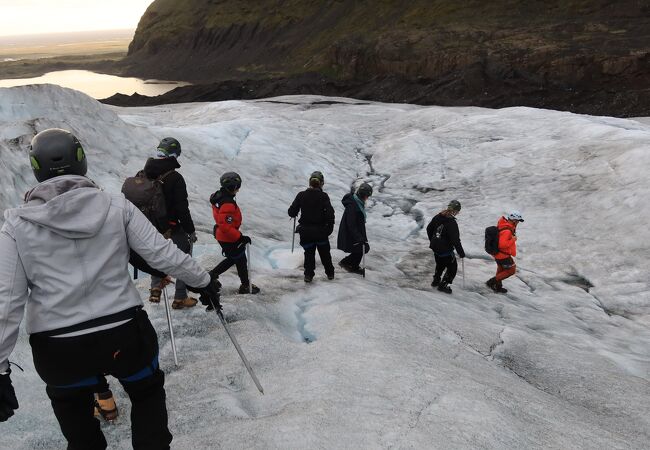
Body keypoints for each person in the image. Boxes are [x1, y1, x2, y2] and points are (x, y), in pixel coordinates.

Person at [0, 128, 221, 449]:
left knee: (76, 419)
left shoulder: (16, 225)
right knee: (146, 394)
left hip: (58, 349)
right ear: (81, 161)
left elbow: (6, 302)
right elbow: (163, 254)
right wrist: (204, 282)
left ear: (36, 168)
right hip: (124, 334)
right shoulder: (115, 206)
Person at [142, 137, 200, 309]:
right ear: (174, 155)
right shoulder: (175, 177)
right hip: (173, 226)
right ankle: (180, 297)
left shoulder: (146, 172)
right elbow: (182, 207)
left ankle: (155, 288)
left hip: (151, 224)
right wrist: (190, 230)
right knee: (183, 258)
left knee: (156, 255)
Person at [209, 172, 260, 296]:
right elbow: (225, 225)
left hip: (224, 234)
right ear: (233, 187)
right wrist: (240, 237)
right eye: (238, 186)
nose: (238, 189)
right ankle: (211, 276)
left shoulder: (219, 196)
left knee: (239, 258)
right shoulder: (227, 203)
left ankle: (245, 284)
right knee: (235, 258)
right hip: (227, 236)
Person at [288, 171, 336, 282]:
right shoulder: (324, 196)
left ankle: (308, 275)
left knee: (309, 254)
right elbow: (330, 214)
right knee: (325, 254)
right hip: (321, 232)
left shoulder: (301, 195)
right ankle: (330, 274)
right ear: (321, 183)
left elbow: (291, 212)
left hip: (305, 232)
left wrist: (296, 212)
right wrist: (328, 229)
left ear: (310, 182)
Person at [426, 200, 466, 294]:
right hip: (445, 250)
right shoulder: (451, 223)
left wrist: (433, 240)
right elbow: (455, 240)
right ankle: (443, 285)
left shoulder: (438, 216)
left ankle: (436, 281)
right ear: (455, 211)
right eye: (458, 211)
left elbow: (429, 228)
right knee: (452, 268)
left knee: (440, 264)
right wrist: (461, 252)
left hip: (435, 247)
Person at [337, 182, 372, 276]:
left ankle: (350, 264)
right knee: (361, 248)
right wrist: (359, 238)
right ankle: (347, 263)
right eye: (367, 196)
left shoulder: (357, 203)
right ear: (363, 195)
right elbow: (351, 224)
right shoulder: (353, 205)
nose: (367, 198)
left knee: (363, 248)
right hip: (350, 233)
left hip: (354, 232)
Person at [486, 211, 524, 293]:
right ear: (514, 220)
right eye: (517, 221)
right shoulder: (507, 230)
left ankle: (497, 287)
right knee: (511, 270)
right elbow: (502, 244)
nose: (518, 223)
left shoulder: (504, 225)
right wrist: (513, 239)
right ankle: (491, 282)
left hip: (498, 254)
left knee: (501, 269)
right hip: (503, 255)